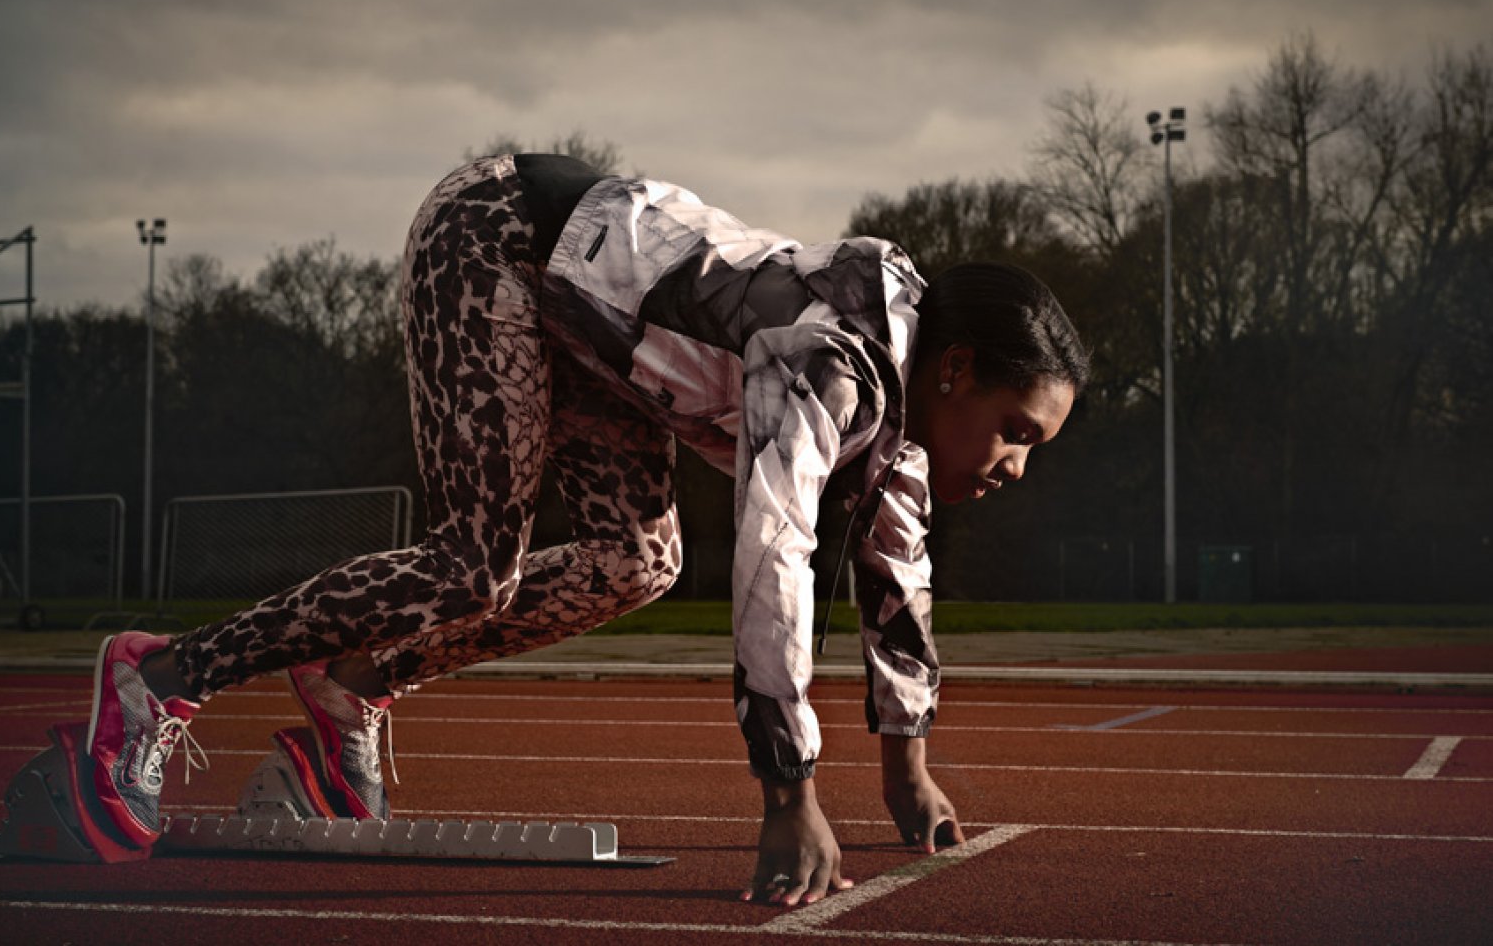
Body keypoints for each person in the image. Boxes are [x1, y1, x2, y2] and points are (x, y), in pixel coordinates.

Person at [81, 153, 1088, 904]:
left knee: (637, 559)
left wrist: (906, 770)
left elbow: (896, 571)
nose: (1015, 465)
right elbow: (774, 551)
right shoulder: (830, 361)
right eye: (1015, 431)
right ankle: (157, 676)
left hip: (608, 344)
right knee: (478, 560)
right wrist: (790, 794)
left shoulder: (906, 413)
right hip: (500, 238)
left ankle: (353, 689)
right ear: (953, 368)